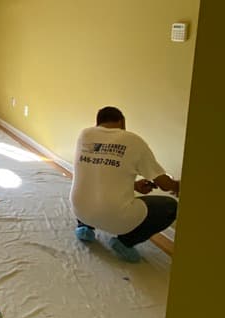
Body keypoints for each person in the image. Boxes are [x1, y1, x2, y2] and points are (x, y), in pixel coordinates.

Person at [69, 106, 180, 263]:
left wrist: (133, 186)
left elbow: (99, 172)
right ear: (122, 122)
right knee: (170, 207)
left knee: (87, 187)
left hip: (79, 209)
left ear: (98, 123)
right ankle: (124, 243)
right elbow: (164, 184)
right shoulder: (133, 141)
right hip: (115, 219)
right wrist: (178, 186)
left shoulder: (85, 135)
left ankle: (85, 228)